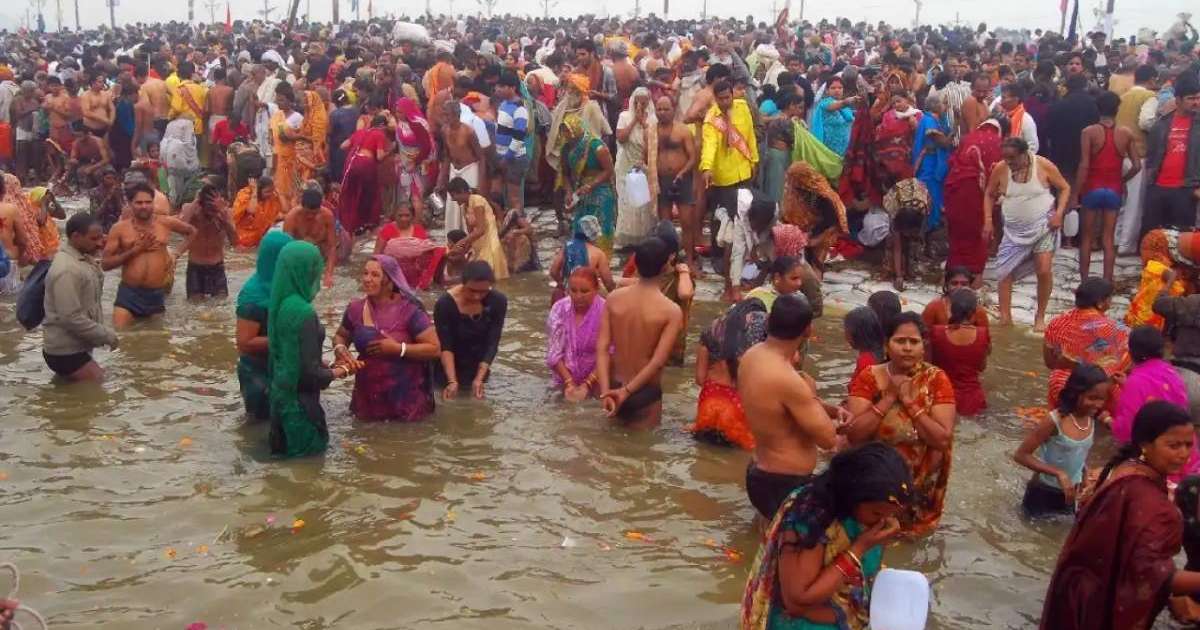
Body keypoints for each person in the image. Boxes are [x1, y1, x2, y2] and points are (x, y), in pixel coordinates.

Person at [1040, 401, 1200, 630]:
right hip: (1098, 604)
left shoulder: (1126, 470)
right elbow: (1154, 578)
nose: (1183, 454)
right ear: (1146, 444)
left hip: (1078, 591)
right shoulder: (1150, 502)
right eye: (1173, 446)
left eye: (1189, 445)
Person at [741, 442, 911, 630]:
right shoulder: (811, 517)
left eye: (892, 514)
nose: (885, 521)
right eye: (877, 514)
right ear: (854, 496)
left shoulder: (866, 517)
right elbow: (798, 601)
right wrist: (859, 548)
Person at [845, 312, 957, 537]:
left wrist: (908, 401)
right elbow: (854, 434)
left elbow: (942, 439)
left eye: (914, 342)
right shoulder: (870, 377)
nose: (907, 348)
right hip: (874, 484)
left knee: (908, 541)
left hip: (919, 485)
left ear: (923, 347)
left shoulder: (936, 379)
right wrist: (888, 398)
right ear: (887, 345)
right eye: (900, 341)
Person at [267, 240, 354, 458]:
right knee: (308, 474)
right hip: (301, 408)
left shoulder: (281, 302)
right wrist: (340, 371)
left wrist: (319, 362)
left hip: (280, 400)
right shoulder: (304, 312)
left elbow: (285, 353)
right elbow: (308, 375)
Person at [332, 255, 441, 422]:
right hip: (368, 397)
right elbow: (341, 335)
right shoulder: (355, 309)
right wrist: (341, 350)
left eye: (375, 275)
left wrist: (399, 349)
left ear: (391, 281)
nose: (367, 279)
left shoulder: (410, 311)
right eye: (365, 273)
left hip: (406, 397)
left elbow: (435, 349)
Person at [983, 137, 1072, 330]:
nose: (1009, 162)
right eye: (1005, 158)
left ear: (1024, 154)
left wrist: (1059, 214)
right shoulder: (1001, 168)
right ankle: (1005, 318)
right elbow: (989, 193)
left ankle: (1040, 317)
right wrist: (988, 221)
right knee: (1004, 273)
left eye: (1013, 158)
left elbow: (1065, 188)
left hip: (1043, 227)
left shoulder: (1043, 165)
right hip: (1013, 231)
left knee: (1044, 269)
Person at [596, 236, 683, 427]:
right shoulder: (671, 310)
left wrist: (606, 392)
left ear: (635, 262)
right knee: (644, 454)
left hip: (613, 386)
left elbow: (602, 349)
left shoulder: (613, 299)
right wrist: (626, 392)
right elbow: (658, 362)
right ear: (665, 266)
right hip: (644, 391)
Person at [1013, 364, 1108, 517]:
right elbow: (1021, 455)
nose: (1098, 404)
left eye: (1102, 399)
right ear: (1076, 393)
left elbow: (1076, 451)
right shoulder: (1054, 420)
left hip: (1070, 495)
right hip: (1042, 493)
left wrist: (1084, 471)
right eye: (1092, 398)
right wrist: (1059, 473)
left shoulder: (1091, 419)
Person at [101, 182, 196, 328]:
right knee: (122, 337)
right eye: (138, 202)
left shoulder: (166, 223)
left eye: (148, 202)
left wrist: (176, 253)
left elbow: (192, 232)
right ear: (130, 204)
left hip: (156, 295)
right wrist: (135, 250)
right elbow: (106, 264)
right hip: (128, 295)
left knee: (156, 343)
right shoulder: (119, 229)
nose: (144, 206)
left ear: (153, 203)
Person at [1113, 326, 1200, 481]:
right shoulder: (1171, 372)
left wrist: (1108, 420)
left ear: (1132, 352)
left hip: (1162, 460)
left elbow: (1128, 429)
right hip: (1186, 452)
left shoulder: (1137, 380)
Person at [1074, 91, 1141, 281]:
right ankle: (1107, 282)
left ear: (1097, 108)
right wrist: (1122, 180)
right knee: (1108, 240)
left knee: (1086, 238)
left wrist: (1075, 194)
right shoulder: (1126, 133)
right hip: (1114, 189)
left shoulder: (1088, 132)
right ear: (1117, 109)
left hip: (1092, 189)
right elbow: (1137, 166)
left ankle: (1085, 281)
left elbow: (1084, 164)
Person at [42, 212, 118, 382]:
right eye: (94, 239)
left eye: (101, 237)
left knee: (74, 396)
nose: (100, 243)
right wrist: (106, 335)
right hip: (65, 351)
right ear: (76, 236)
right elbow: (71, 317)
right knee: (100, 390)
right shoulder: (67, 270)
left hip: (76, 346)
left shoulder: (83, 259)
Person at [692, 297, 769, 450]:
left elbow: (700, 379)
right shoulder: (757, 335)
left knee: (703, 458)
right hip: (738, 406)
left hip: (709, 403)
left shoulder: (710, 331)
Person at [1043, 278, 1130, 410]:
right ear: (1100, 303)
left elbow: (1050, 363)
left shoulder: (1056, 323)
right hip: (1099, 393)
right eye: (1109, 299)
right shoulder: (1115, 330)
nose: (1110, 303)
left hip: (1060, 387)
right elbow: (1122, 368)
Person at [235, 231, 292, 421]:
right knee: (259, 425)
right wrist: (285, 340)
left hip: (280, 367)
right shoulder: (253, 296)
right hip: (256, 373)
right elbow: (244, 342)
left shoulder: (285, 285)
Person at [700, 79, 758, 262]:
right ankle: (719, 255)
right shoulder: (711, 119)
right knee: (723, 216)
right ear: (715, 99)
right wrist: (707, 167)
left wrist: (754, 160)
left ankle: (742, 252)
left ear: (732, 94)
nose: (725, 102)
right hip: (724, 176)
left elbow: (750, 136)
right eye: (721, 99)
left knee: (745, 213)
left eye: (728, 97)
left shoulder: (742, 108)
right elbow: (710, 144)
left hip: (744, 169)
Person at [433, 261, 507, 400]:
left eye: (483, 291)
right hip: (447, 368)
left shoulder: (498, 301)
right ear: (462, 283)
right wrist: (452, 381)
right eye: (472, 290)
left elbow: (493, 341)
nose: (477, 296)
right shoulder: (445, 304)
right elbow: (445, 345)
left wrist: (479, 378)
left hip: (478, 367)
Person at [1141, 73, 1199, 237]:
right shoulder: (1162, 124)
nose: (1196, 102)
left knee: (1182, 241)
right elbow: (1152, 155)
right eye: (1191, 98)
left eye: (1198, 98)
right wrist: (1151, 183)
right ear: (1178, 100)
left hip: (1186, 190)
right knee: (1153, 239)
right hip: (1158, 188)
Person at [944, 119, 1004, 277]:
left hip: (955, 191)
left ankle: (953, 275)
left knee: (957, 235)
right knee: (976, 236)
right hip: (977, 196)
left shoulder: (968, 138)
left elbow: (952, 161)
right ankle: (974, 277)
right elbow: (995, 173)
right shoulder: (997, 143)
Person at [546, 266, 606, 402]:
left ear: (596, 290)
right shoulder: (559, 309)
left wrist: (587, 384)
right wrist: (569, 383)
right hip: (563, 378)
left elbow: (610, 353)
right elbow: (554, 353)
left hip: (596, 379)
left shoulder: (605, 311)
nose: (578, 296)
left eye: (584, 291)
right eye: (573, 291)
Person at [559, 114, 616, 254]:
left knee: (600, 229)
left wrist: (592, 184)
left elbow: (609, 170)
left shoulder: (596, 146)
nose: (566, 135)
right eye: (564, 131)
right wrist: (568, 191)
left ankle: (602, 260)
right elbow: (565, 174)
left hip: (601, 191)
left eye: (568, 131)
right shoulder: (566, 149)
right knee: (580, 227)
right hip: (581, 192)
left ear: (577, 130)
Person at [929, 289, 991, 416]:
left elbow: (928, 364)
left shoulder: (936, 332)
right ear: (974, 313)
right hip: (973, 398)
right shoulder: (982, 334)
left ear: (951, 310)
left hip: (941, 396)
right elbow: (982, 367)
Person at [654, 96, 698, 266]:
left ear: (673, 110)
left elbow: (693, 157)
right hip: (661, 180)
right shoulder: (651, 131)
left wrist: (681, 174)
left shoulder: (683, 130)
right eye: (659, 109)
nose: (662, 113)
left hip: (683, 179)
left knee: (687, 222)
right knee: (665, 224)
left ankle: (689, 260)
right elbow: (647, 157)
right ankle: (668, 262)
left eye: (666, 109)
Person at [613, 87, 658, 249]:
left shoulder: (653, 120)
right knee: (627, 203)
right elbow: (621, 138)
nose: (641, 104)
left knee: (643, 203)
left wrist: (643, 123)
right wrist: (634, 121)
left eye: (644, 101)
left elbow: (652, 142)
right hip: (626, 165)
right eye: (637, 101)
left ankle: (644, 238)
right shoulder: (624, 117)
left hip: (644, 166)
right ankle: (626, 239)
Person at [438, 99, 488, 234]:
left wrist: (481, 183)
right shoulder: (444, 130)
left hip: (470, 170)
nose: (445, 118)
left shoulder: (469, 131)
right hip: (454, 171)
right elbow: (447, 156)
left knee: (469, 207)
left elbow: (481, 157)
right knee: (452, 208)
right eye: (444, 115)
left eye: (447, 115)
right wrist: (441, 179)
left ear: (456, 115)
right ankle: (453, 241)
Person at [178, 184, 236, 299]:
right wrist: (195, 202)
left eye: (214, 208)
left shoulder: (225, 213)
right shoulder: (191, 210)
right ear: (201, 204)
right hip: (195, 268)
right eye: (209, 208)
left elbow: (235, 241)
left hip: (217, 267)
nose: (212, 213)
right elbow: (181, 229)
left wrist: (223, 217)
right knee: (194, 309)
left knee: (221, 306)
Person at [446, 177, 510, 281]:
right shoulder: (464, 208)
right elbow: (471, 235)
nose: (452, 199)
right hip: (478, 248)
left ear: (462, 191)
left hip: (490, 246)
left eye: (453, 195)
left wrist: (460, 242)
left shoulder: (477, 200)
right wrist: (460, 250)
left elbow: (481, 229)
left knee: (489, 281)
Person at [338, 113, 389, 235]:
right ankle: (367, 223)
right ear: (382, 126)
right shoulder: (379, 134)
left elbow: (343, 146)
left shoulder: (360, 132)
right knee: (369, 196)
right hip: (366, 165)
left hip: (352, 164)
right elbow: (380, 156)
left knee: (352, 194)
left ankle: (350, 224)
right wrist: (389, 152)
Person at [374, 205, 445, 290]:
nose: (403, 219)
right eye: (400, 215)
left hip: (414, 276)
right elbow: (377, 255)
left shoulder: (419, 230)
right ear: (394, 215)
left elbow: (427, 253)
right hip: (392, 275)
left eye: (407, 215)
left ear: (412, 216)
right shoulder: (387, 230)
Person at [547, 215, 616, 300]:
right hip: (587, 296)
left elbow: (553, 271)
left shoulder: (566, 247)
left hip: (568, 292)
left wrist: (561, 283)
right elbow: (608, 283)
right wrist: (616, 298)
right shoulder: (598, 253)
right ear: (593, 235)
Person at [283, 185, 337, 288]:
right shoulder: (291, 218)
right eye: (307, 213)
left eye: (314, 213)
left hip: (320, 249)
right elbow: (285, 249)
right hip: (298, 250)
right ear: (301, 206)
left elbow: (332, 247)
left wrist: (329, 274)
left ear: (320, 208)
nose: (310, 216)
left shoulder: (327, 216)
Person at [270, 85, 305, 213]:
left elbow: (303, 138)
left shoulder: (297, 118)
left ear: (290, 101)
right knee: (277, 186)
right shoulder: (276, 115)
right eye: (278, 100)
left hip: (291, 158)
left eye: (282, 100)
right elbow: (272, 134)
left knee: (290, 188)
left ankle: (291, 212)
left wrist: (291, 137)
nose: (279, 103)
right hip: (277, 155)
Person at [922, 267, 990, 327]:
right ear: (947, 285)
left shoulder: (978, 310)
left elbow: (983, 338)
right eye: (954, 283)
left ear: (970, 286)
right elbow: (922, 336)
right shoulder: (934, 307)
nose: (959, 287)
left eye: (964, 284)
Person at [809, 76, 857, 157]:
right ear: (827, 91)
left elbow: (850, 117)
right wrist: (846, 102)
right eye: (833, 88)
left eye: (840, 87)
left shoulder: (846, 109)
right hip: (829, 150)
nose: (837, 90)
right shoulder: (824, 104)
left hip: (845, 149)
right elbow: (834, 106)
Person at [232, 176, 282, 248]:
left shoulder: (271, 198)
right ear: (259, 190)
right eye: (267, 192)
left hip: (258, 241)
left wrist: (279, 194)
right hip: (242, 241)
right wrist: (254, 191)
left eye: (272, 191)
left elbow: (285, 210)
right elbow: (251, 210)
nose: (270, 194)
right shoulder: (245, 194)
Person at [844, 306, 886, 382]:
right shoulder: (880, 351)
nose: (845, 335)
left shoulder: (866, 361)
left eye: (846, 330)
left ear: (855, 333)